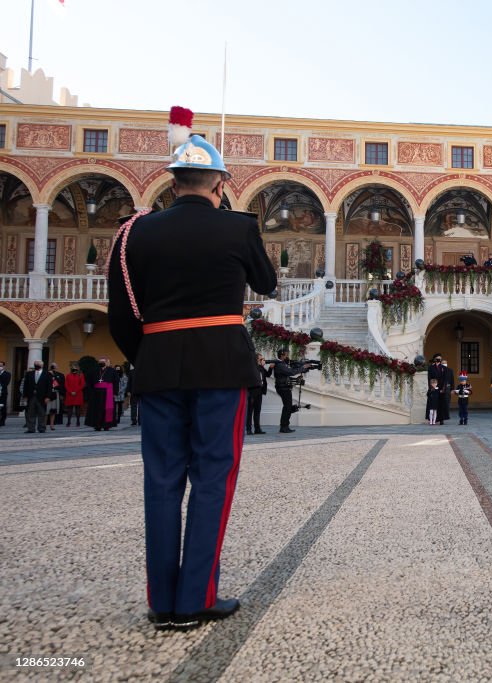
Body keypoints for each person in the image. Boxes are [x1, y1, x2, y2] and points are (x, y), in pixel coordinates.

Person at [107, 106, 277, 631]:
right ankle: (196, 597)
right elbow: (268, 284)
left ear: (173, 182)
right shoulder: (237, 227)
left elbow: (120, 315)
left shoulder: (134, 233)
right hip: (222, 367)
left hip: (158, 366)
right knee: (211, 480)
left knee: (161, 482)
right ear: (220, 184)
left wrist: (150, 354)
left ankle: (162, 601)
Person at [273, 347, 311, 433]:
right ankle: (284, 427)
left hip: (284, 387)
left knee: (287, 407)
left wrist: (298, 375)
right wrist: (303, 367)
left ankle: (284, 425)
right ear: (282, 355)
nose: (288, 356)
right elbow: (291, 372)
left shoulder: (281, 363)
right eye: (286, 354)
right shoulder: (280, 365)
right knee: (287, 407)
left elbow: (286, 375)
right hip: (283, 388)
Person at [22, 360, 54, 435]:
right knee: (30, 413)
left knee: (42, 413)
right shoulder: (29, 374)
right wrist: (25, 395)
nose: (36, 365)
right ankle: (31, 428)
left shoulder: (47, 374)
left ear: (42, 365)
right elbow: (25, 385)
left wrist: (48, 397)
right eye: (35, 364)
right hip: (31, 396)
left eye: (38, 364)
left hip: (42, 397)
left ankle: (42, 428)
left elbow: (49, 387)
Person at [85, 358, 118, 431]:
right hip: (96, 394)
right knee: (97, 409)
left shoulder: (112, 371)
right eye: (100, 362)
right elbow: (89, 382)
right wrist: (90, 392)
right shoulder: (94, 371)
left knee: (107, 409)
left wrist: (115, 393)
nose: (101, 363)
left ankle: (107, 425)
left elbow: (116, 382)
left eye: (103, 362)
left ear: (106, 363)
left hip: (108, 392)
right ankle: (97, 425)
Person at [246, 353, 271, 435]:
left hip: (260, 391)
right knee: (250, 411)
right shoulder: (252, 367)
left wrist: (270, 368)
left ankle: (257, 429)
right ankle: (249, 429)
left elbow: (268, 375)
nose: (262, 360)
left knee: (257, 411)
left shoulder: (261, 368)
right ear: (256, 360)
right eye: (261, 359)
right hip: (252, 391)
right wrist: (260, 365)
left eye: (263, 359)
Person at [426, 354, 452, 425]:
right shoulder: (431, 368)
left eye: (440, 359)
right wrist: (431, 387)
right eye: (437, 358)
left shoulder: (444, 368)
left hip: (441, 388)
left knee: (441, 404)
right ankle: (432, 419)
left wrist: (443, 388)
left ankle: (441, 419)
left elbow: (445, 379)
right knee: (433, 404)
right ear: (434, 359)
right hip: (433, 387)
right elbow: (429, 378)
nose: (438, 360)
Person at [46, 362, 65, 431]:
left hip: (55, 393)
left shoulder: (59, 375)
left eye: (55, 366)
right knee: (46, 410)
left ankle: (52, 425)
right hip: (47, 394)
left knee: (53, 410)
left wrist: (62, 394)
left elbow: (60, 385)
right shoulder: (46, 374)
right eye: (52, 366)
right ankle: (44, 424)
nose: (54, 367)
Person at [0, 360, 10, 427]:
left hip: (3, 392)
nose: (0, 367)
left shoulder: (7, 374)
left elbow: (6, 383)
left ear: (4, 366)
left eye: (1, 365)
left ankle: (2, 421)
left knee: (3, 406)